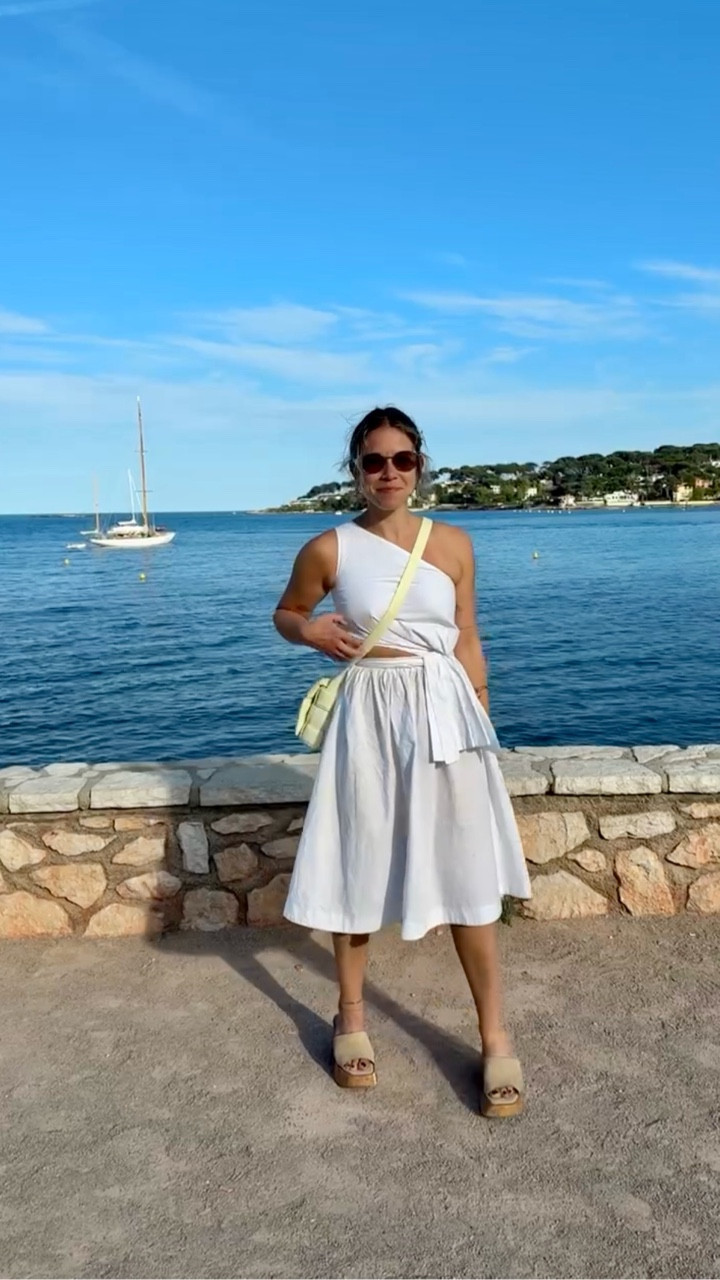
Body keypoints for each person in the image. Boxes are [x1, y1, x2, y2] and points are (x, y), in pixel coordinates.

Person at [273, 407, 531, 1116]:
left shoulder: (452, 543)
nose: (388, 472)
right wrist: (311, 630)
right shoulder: (330, 548)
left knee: (468, 869)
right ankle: (350, 1015)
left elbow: (467, 633)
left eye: (402, 460)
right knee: (357, 861)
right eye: (373, 461)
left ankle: (494, 1033)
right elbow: (288, 612)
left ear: (421, 465)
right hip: (370, 707)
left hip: (444, 709)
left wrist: (481, 715)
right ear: (354, 469)